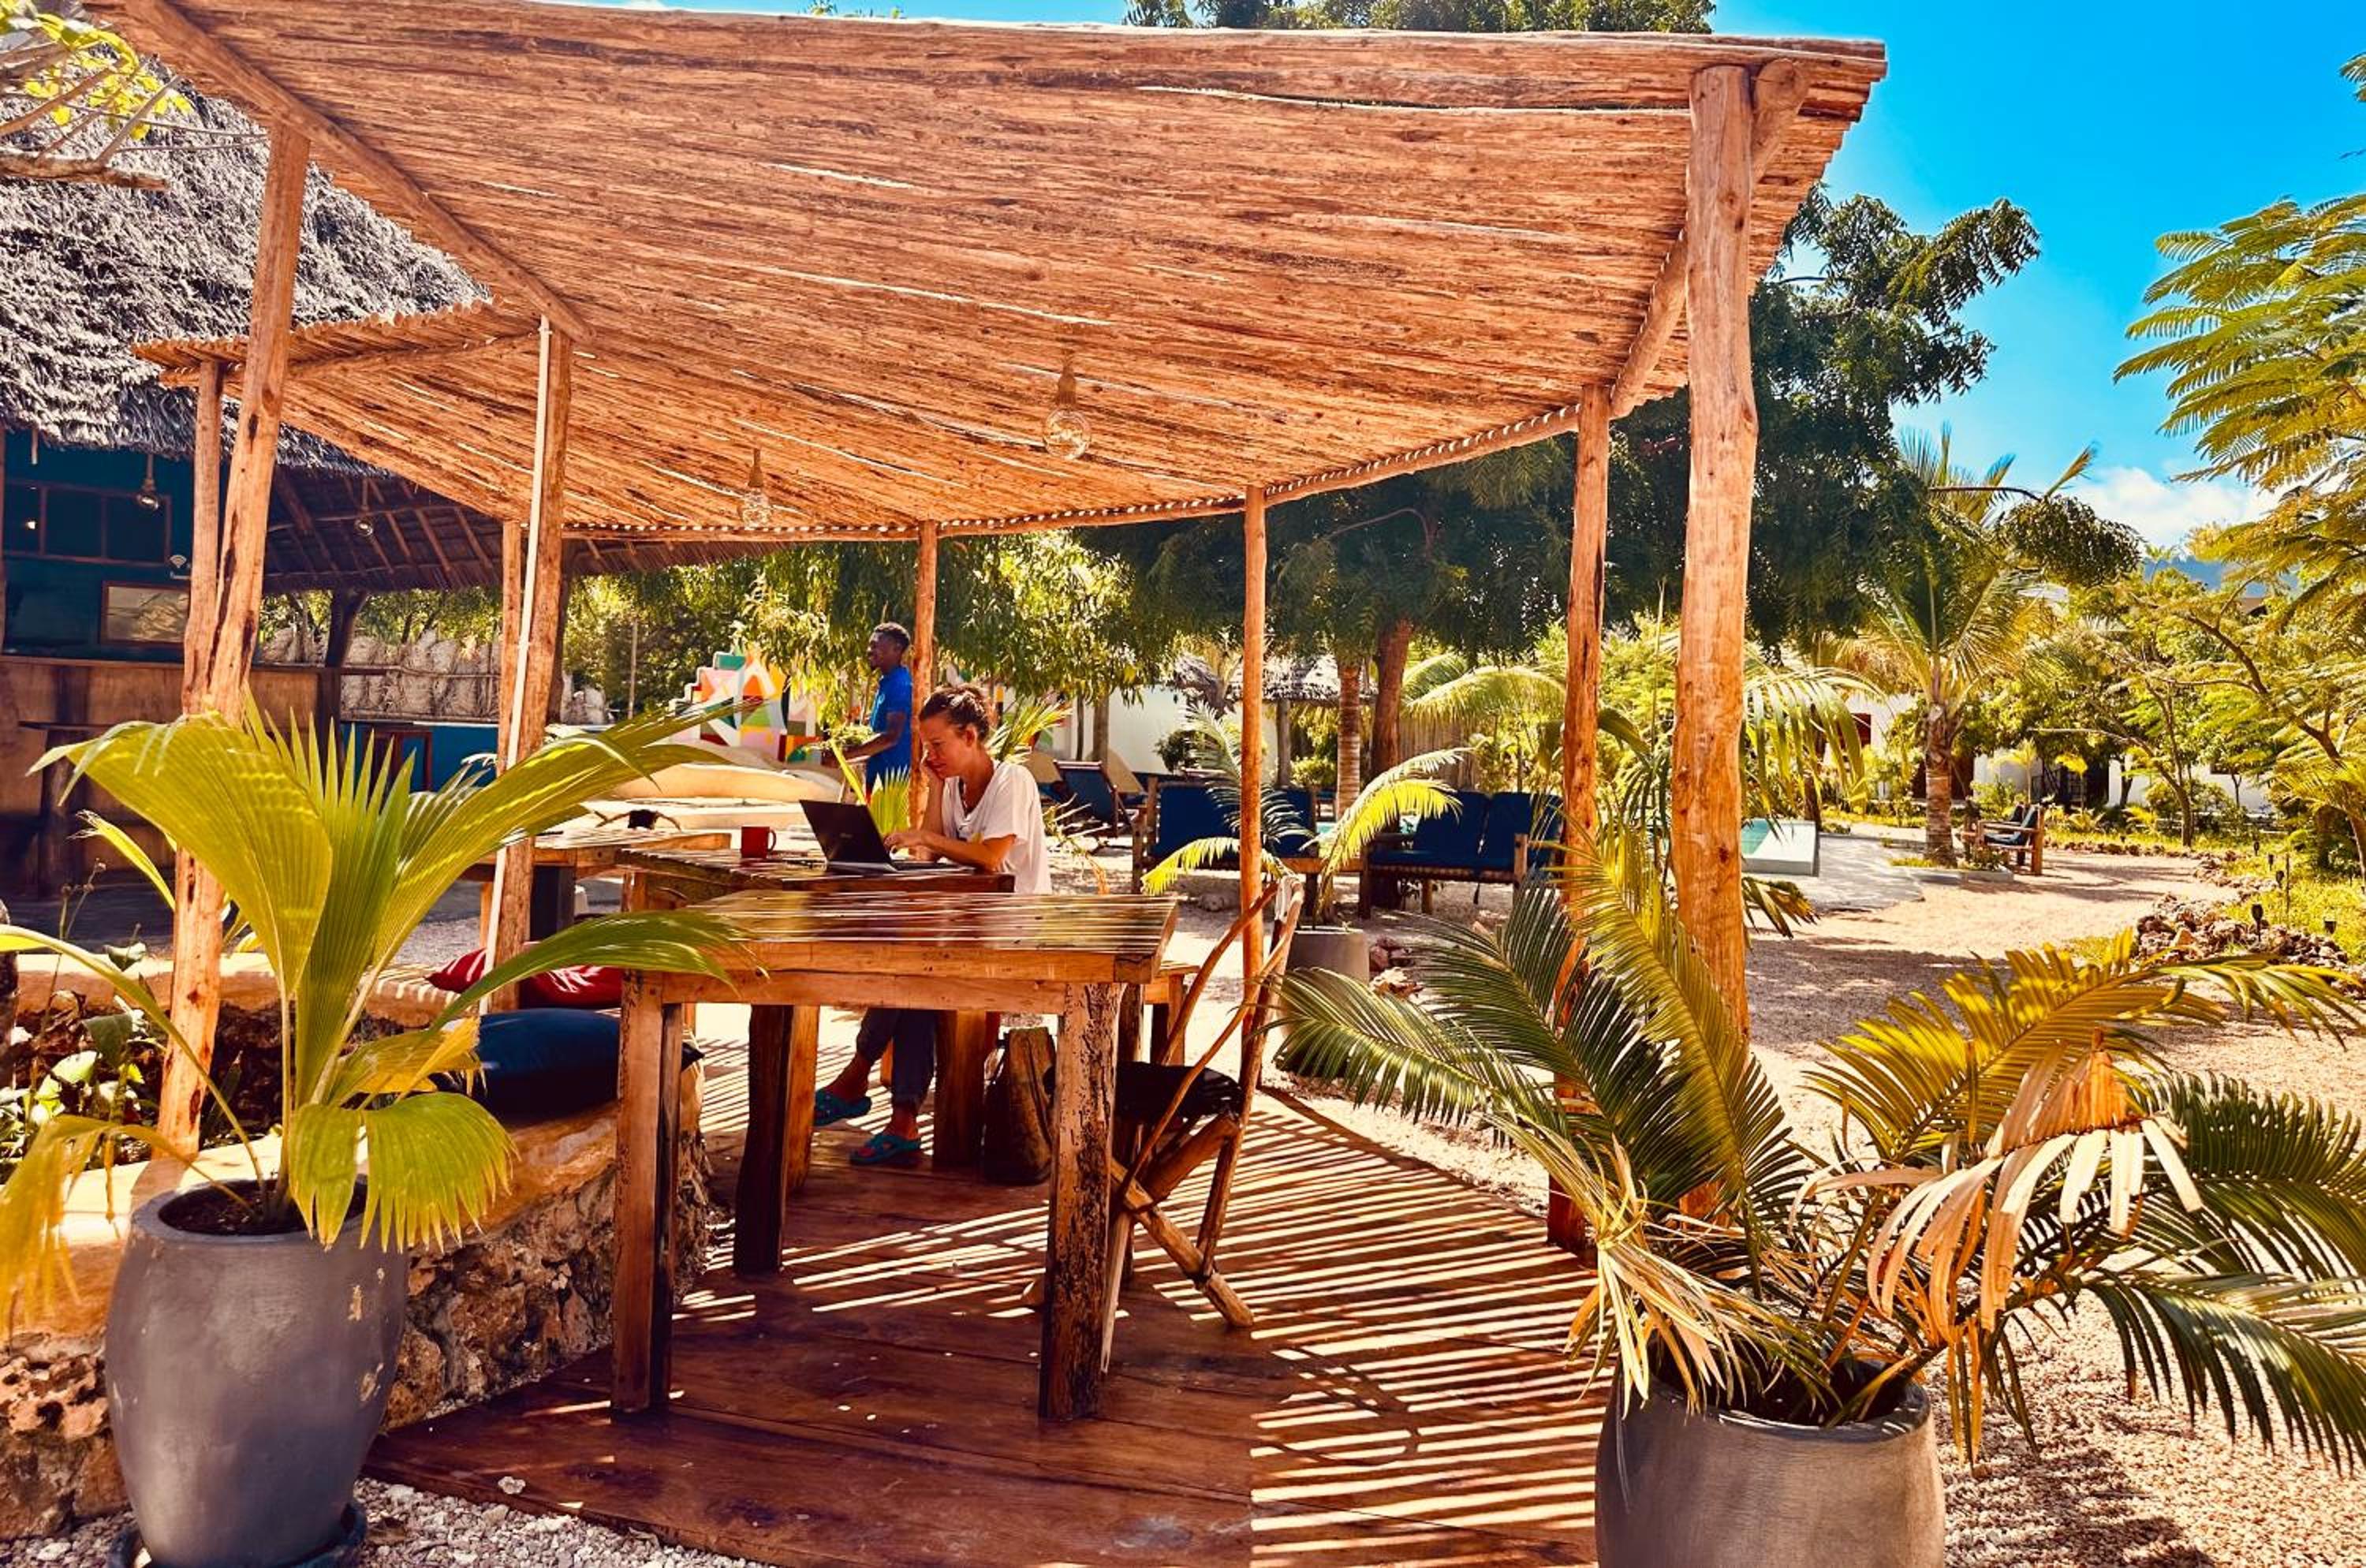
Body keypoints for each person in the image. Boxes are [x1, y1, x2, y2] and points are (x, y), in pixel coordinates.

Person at [814, 684, 1050, 1168]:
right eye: (927, 747)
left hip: (1015, 926)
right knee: (916, 978)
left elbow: (990, 858)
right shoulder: (957, 786)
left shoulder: (1013, 781)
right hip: (969, 926)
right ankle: (902, 1120)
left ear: (970, 737)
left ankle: (860, 1075)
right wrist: (938, 787)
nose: (931, 755)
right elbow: (933, 853)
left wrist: (924, 835)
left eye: (938, 745)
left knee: (916, 974)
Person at [840, 622, 913, 789]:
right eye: (869, 646)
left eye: (875, 646)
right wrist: (845, 756)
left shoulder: (900, 685)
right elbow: (878, 744)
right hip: (877, 782)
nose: (869, 651)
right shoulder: (886, 684)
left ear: (897, 648)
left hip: (892, 787)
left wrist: (846, 754)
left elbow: (891, 737)